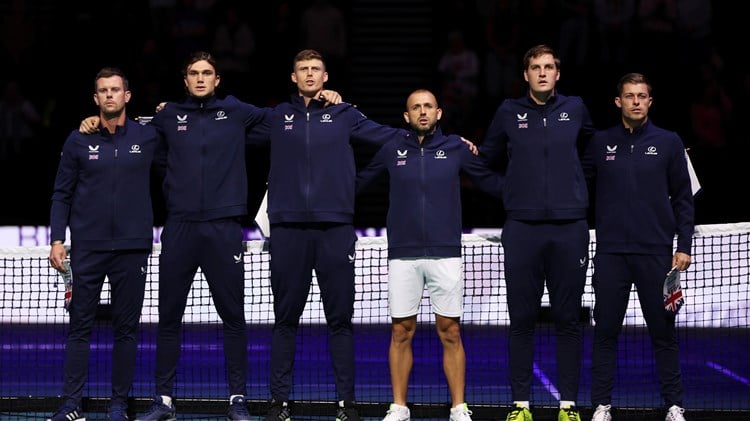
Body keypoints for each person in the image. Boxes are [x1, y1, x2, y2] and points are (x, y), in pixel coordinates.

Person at [246, 49, 407, 421]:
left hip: (335, 230)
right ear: (293, 77)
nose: (309, 74)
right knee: (285, 320)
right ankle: (278, 402)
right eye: (302, 69)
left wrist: (431, 136)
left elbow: (390, 137)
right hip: (287, 231)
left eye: (315, 69)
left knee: (340, 321)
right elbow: (223, 130)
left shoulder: (345, 114)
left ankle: (346, 403)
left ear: (326, 76)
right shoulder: (277, 117)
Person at [356, 89, 504, 421]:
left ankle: (458, 407)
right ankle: (399, 406)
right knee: (400, 331)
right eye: (415, 108)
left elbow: (490, 182)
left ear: (439, 113)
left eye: (428, 106)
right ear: (406, 117)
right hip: (403, 255)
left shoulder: (456, 148)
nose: (422, 112)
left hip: (445, 254)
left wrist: (527, 195)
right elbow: (357, 183)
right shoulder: (391, 149)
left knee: (450, 331)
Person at [479, 44, 596, 421]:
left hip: (570, 228)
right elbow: (484, 161)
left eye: (549, 67)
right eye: (535, 67)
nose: (543, 72)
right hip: (522, 229)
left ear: (558, 74)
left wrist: (577, 189)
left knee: (568, 319)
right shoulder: (508, 113)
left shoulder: (575, 108)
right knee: (522, 319)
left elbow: (592, 154)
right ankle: (521, 406)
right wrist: (510, 192)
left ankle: (568, 406)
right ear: (525, 75)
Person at [47, 67, 159, 421]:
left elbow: (181, 127)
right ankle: (70, 404)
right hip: (88, 249)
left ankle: (118, 404)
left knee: (127, 330)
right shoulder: (77, 140)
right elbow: (61, 194)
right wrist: (57, 239)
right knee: (79, 327)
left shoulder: (149, 136)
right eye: (103, 91)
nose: (109, 95)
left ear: (127, 95)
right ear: (95, 99)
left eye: (115, 90)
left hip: (132, 248)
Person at [582, 73, 693, 421]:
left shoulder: (670, 142)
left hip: (656, 254)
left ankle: (673, 405)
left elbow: (684, 199)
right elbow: (573, 185)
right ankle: (602, 405)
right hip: (612, 254)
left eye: (641, 96)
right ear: (619, 102)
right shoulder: (600, 143)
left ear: (649, 101)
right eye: (629, 96)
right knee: (605, 332)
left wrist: (684, 245)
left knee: (663, 332)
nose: (635, 101)